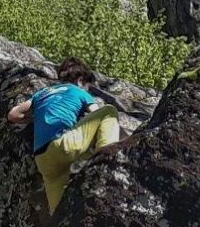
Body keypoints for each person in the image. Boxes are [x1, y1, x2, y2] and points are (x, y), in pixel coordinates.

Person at [7, 57, 120, 214]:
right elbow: (97, 113)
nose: (88, 90)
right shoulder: (78, 91)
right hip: (64, 144)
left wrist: (36, 118)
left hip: (43, 159)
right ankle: (107, 156)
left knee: (58, 213)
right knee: (109, 111)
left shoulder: (42, 93)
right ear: (81, 80)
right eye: (88, 86)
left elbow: (13, 115)